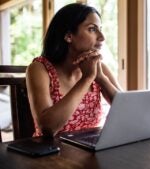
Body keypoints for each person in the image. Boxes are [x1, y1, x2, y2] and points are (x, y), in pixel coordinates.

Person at [26, 3, 122, 137]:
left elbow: (127, 112)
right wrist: (87, 78)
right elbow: (48, 128)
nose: (102, 37)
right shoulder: (39, 68)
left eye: (100, 29)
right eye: (92, 29)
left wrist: (100, 78)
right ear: (69, 36)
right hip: (52, 153)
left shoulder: (99, 67)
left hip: (90, 150)